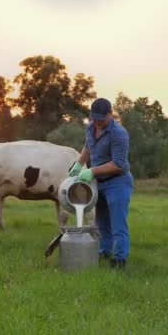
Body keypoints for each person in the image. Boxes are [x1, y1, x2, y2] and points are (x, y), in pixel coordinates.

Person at [69, 98, 133, 269]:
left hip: (118, 183)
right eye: (94, 118)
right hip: (99, 183)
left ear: (110, 114)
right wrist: (78, 164)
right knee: (101, 223)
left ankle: (120, 261)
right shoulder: (90, 127)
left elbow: (118, 164)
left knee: (118, 225)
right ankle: (104, 253)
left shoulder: (119, 134)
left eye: (101, 119)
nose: (97, 122)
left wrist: (92, 171)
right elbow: (88, 146)